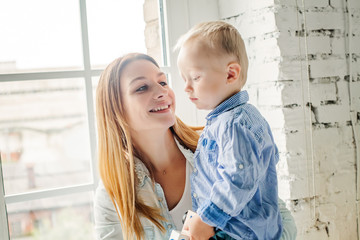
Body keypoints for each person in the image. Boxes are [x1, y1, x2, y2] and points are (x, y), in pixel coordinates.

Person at [93, 53, 297, 240]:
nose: (162, 91)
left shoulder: (216, 147)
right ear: (116, 108)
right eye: (141, 88)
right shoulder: (113, 192)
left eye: (163, 81)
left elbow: (281, 222)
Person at [176, 21, 285, 240]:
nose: (187, 88)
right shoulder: (230, 120)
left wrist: (207, 218)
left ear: (230, 74)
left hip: (238, 232)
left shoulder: (234, 124)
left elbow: (238, 178)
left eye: (195, 77)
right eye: (184, 80)